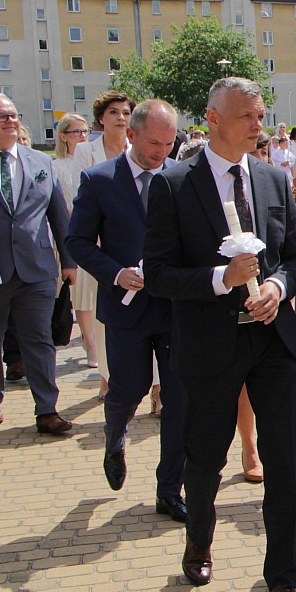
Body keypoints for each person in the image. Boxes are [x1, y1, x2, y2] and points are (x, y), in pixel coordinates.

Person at [144, 78, 296, 592]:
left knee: (284, 459)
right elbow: (161, 274)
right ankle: (198, 542)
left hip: (272, 341)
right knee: (206, 457)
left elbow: (294, 257)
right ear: (213, 118)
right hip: (210, 343)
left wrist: (277, 288)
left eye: (261, 115)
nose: (258, 126)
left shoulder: (271, 177)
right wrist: (222, 278)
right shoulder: (172, 185)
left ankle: (283, 582)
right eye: (247, 116)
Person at [66, 99, 187, 519]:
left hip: (174, 309)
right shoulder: (99, 180)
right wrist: (115, 274)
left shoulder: (180, 179)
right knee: (128, 390)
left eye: (169, 144)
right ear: (130, 135)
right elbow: (77, 242)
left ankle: (169, 489)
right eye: (154, 142)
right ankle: (114, 435)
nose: (161, 152)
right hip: (125, 309)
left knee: (179, 400)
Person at [0, 93, 77, 431]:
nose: (10, 121)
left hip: (36, 266)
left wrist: (68, 260)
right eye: (0, 116)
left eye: (13, 115)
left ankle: (47, 409)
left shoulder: (39, 162)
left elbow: (58, 214)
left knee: (39, 338)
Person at [73, 91, 135, 399]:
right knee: (103, 315)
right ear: (101, 118)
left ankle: (155, 385)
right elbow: (80, 199)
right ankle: (107, 376)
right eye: (114, 112)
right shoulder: (87, 152)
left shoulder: (138, 149)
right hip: (100, 249)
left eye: (125, 112)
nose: (121, 118)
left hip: (132, 250)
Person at [53, 113, 98, 369]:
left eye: (85, 131)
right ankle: (90, 344)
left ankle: (92, 339)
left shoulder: (90, 160)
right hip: (70, 235)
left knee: (92, 293)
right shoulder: (57, 166)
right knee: (79, 293)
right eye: (76, 132)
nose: (82, 136)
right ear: (64, 136)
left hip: (93, 234)